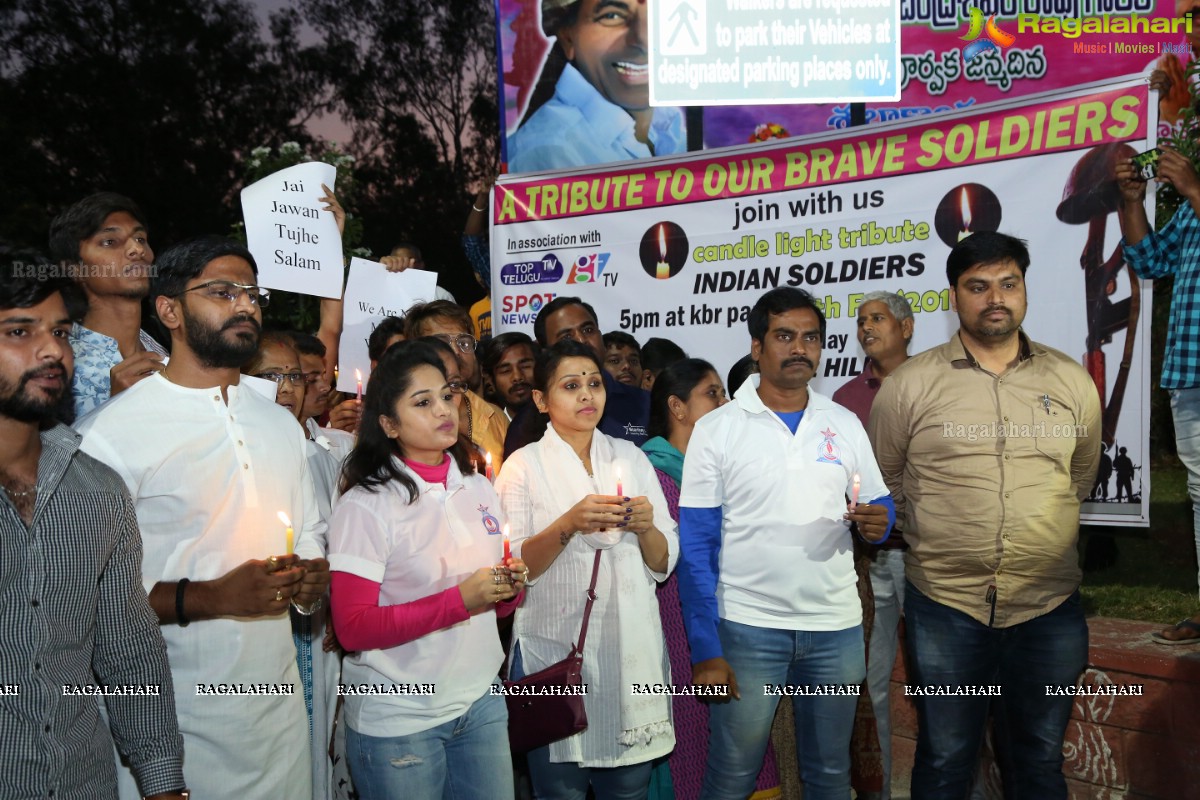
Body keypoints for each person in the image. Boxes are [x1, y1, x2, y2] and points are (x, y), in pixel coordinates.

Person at [76, 236, 330, 799]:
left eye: (252, 294)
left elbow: (309, 530)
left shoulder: (280, 424)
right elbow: (81, 599)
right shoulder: (107, 437)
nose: (245, 306)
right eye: (222, 292)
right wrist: (211, 597)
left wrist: (311, 578)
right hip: (170, 726)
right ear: (169, 310)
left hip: (277, 717)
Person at [868, 231, 1101, 798]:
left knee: (1040, 764)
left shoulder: (1070, 380)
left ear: (1024, 290)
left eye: (1008, 284)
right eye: (978, 286)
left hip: (1048, 608)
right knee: (946, 759)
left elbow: (1079, 476)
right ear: (954, 296)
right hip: (948, 606)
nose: (995, 298)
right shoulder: (909, 385)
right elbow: (886, 482)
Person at [678, 287, 893, 800]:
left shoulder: (841, 422)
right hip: (750, 628)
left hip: (835, 628)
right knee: (733, 773)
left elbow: (881, 509)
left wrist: (875, 524)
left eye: (811, 338)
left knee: (829, 775)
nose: (800, 347)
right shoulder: (718, 428)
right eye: (785, 336)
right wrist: (707, 646)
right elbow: (697, 545)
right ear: (757, 347)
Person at [0, 263, 187, 799]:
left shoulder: (97, 489)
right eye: (20, 331)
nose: (52, 350)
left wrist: (162, 782)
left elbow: (128, 647)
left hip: (86, 783)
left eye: (60, 332)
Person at [328, 341, 525, 799]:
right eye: (423, 402)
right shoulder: (367, 504)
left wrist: (507, 588)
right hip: (400, 717)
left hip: (480, 701)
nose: (444, 410)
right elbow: (353, 628)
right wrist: (461, 600)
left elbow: (495, 611)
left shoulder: (477, 486)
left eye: (448, 393)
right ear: (389, 424)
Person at [496, 339, 677, 799]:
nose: (586, 395)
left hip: (627, 649)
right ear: (541, 400)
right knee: (559, 788)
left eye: (594, 384)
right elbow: (514, 567)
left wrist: (646, 528)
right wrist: (570, 523)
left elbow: (663, 561)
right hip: (553, 651)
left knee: (629, 788)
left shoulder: (630, 457)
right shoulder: (523, 466)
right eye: (571, 385)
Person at [641, 359, 782, 800]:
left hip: (739, 614)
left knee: (744, 736)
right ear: (677, 408)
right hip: (680, 622)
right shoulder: (655, 472)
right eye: (713, 393)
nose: (725, 402)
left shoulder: (725, 463)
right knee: (697, 733)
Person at [832, 290, 914, 800]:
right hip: (868, 558)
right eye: (861, 321)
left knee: (949, 684)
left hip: (932, 555)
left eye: (879, 319)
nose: (867, 328)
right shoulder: (844, 399)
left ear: (906, 328)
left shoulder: (940, 382)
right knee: (871, 681)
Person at [1116, 151, 1200, 643]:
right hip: (1190, 370)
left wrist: (1192, 189)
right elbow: (1148, 257)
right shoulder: (1192, 207)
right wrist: (1131, 202)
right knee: (1198, 493)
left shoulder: (1195, 196)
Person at [508, 0, 686, 173]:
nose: (645, 41)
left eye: (663, 14)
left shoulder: (669, 126)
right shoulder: (551, 152)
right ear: (568, 38)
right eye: (612, 15)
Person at [48, 192, 167, 419]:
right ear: (75, 269)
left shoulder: (162, 346)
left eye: (140, 238)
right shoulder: (60, 363)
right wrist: (113, 410)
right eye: (110, 242)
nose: (137, 249)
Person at [504, 296, 651, 457]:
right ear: (545, 352)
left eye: (588, 330)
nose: (582, 340)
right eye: (567, 337)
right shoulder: (525, 425)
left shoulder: (645, 404)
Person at [406, 300, 509, 469]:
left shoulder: (495, 417)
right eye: (442, 342)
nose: (456, 352)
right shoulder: (404, 420)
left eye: (464, 343)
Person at [481, 331, 539, 419]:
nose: (517, 377)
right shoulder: (488, 430)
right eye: (505, 370)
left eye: (525, 366)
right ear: (490, 380)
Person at [381, 242, 457, 303]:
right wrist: (379, 270)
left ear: (421, 264)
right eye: (398, 261)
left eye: (409, 261)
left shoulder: (440, 296)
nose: (403, 265)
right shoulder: (378, 287)